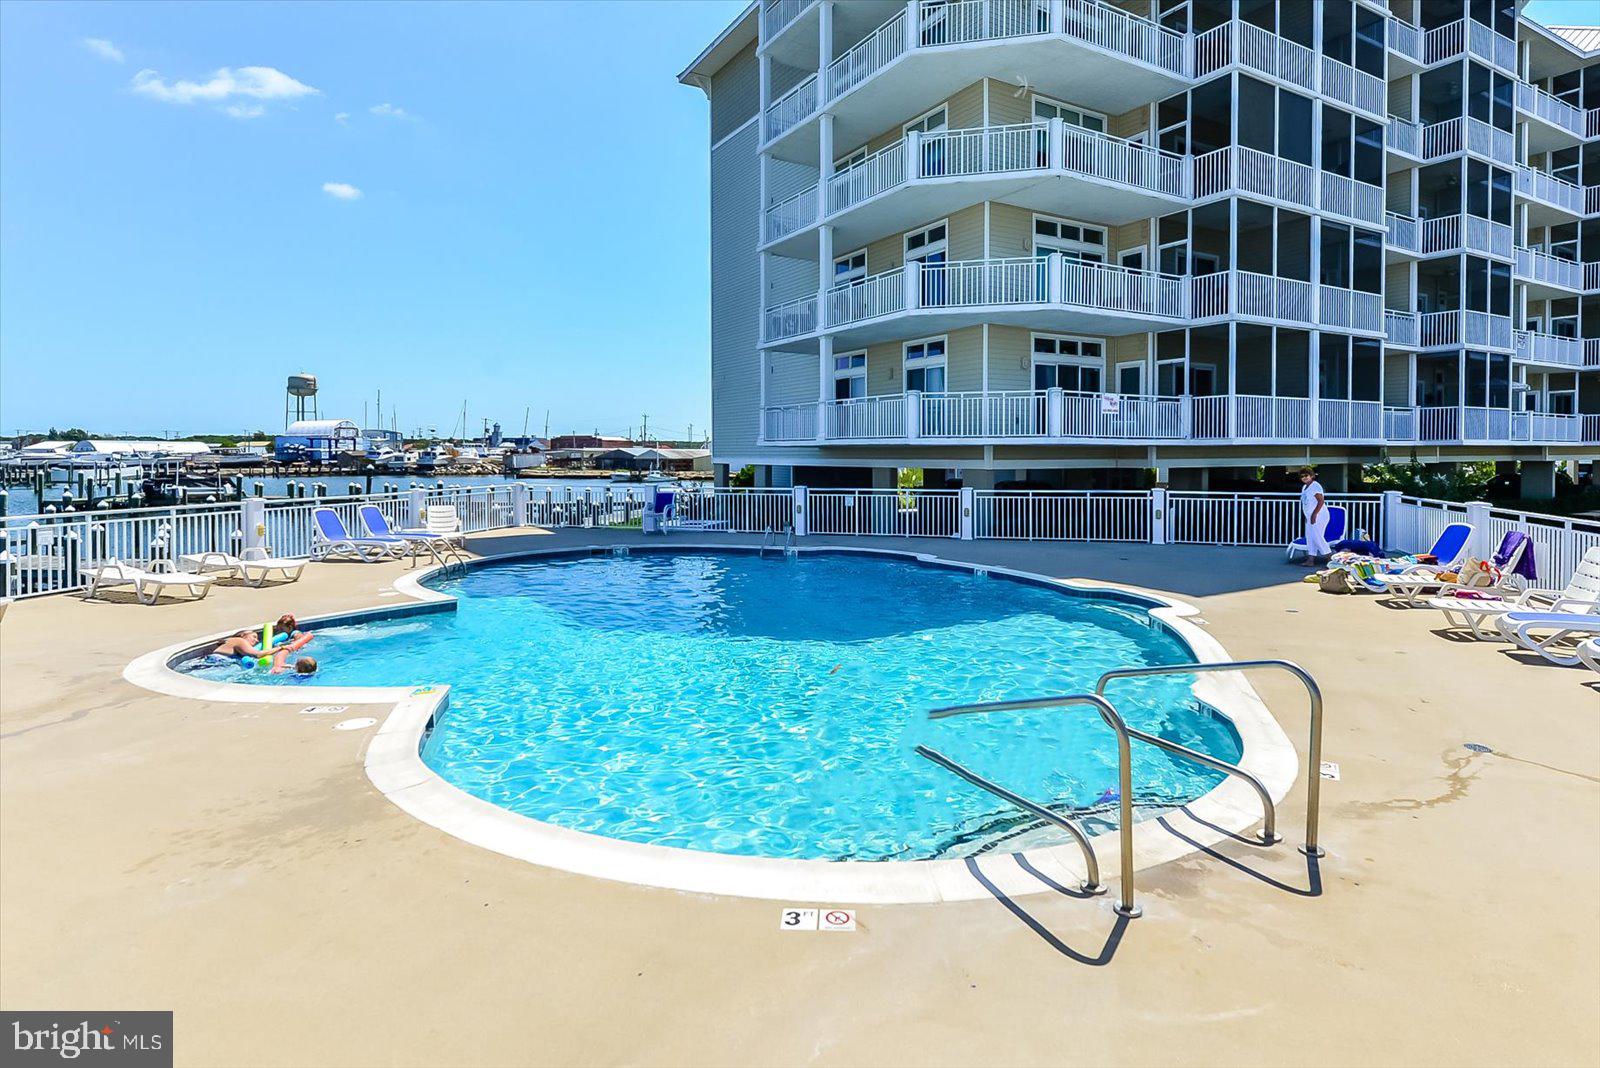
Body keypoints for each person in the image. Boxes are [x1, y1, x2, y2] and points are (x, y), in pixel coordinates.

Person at [1299, 466, 1330, 566]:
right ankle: (1310, 560)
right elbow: (1306, 503)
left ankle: (1330, 558)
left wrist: (1314, 514)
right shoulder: (1304, 487)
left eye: (1306, 475)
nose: (1304, 477)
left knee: (1317, 537)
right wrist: (1307, 516)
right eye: (1302, 476)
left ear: (1312, 476)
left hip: (1319, 515)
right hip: (1310, 516)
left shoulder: (1315, 486)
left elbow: (1320, 501)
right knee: (1310, 537)